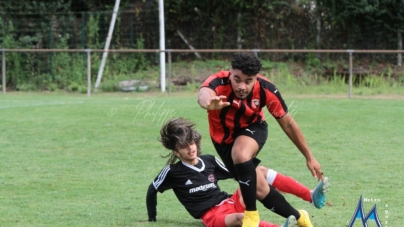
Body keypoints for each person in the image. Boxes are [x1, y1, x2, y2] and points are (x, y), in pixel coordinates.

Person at [198, 52, 326, 227]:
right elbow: (204, 93)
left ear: (256, 78)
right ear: (230, 73)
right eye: (237, 79)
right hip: (222, 141)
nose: (242, 86)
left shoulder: (266, 90)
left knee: (241, 154)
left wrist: (309, 156)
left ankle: (251, 215)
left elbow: (288, 124)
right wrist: (208, 102)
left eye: (248, 81)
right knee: (259, 188)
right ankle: (300, 217)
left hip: (253, 129)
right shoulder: (219, 82)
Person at [146, 118, 329, 227]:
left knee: (258, 171)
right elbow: (152, 190)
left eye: (191, 143)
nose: (190, 149)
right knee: (242, 219)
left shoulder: (209, 160)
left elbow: (238, 173)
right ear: (176, 152)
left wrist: (256, 179)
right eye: (184, 147)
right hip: (212, 215)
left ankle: (310, 195)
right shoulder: (172, 172)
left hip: (230, 200)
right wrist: (152, 217)